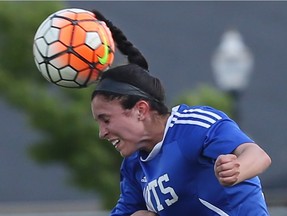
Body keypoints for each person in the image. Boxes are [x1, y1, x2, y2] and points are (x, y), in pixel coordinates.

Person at [91, 10, 272, 216]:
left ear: (140, 110)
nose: (102, 132)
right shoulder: (134, 166)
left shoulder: (193, 126)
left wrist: (237, 167)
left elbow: (258, 156)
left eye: (106, 119)